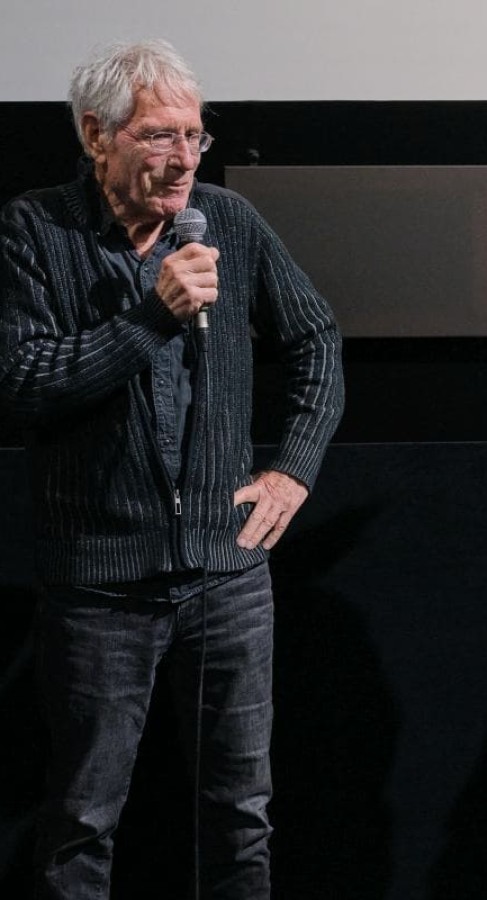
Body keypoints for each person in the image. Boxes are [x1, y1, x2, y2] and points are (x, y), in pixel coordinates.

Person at [0, 39, 344, 898]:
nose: (185, 157)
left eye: (194, 135)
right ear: (95, 135)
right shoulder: (34, 229)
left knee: (241, 817)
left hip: (227, 581)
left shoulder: (226, 221)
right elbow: (26, 382)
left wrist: (292, 469)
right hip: (100, 591)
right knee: (81, 822)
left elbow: (317, 342)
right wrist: (152, 318)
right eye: (159, 136)